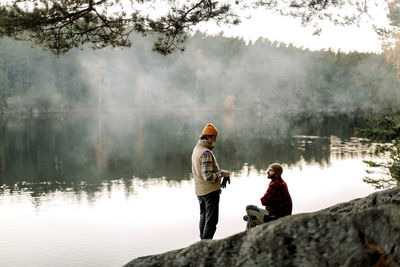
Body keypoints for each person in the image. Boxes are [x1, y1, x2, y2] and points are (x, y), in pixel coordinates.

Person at [191, 123, 231, 240]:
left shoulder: (197, 149)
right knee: (211, 221)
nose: (214, 140)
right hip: (210, 192)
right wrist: (222, 174)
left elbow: (204, 170)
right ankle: (206, 245)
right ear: (208, 137)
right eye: (214, 138)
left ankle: (201, 243)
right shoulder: (206, 153)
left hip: (200, 191)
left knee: (203, 218)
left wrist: (223, 172)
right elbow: (207, 176)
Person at [244, 163, 292, 229]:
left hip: (276, 218)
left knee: (249, 208)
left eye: (270, 171)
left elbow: (264, 202)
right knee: (252, 220)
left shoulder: (275, 184)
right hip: (281, 215)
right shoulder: (281, 182)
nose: (267, 172)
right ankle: (248, 235)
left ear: (276, 174)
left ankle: (250, 218)